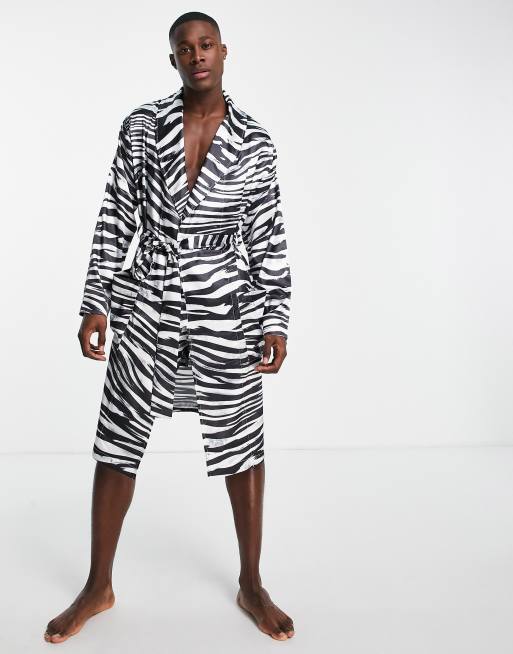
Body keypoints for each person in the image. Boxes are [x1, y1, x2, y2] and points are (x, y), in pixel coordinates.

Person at [44, 10, 294, 643]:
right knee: (117, 438)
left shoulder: (255, 141)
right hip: (149, 298)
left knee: (242, 442)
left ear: (224, 51)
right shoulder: (142, 126)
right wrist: (95, 301)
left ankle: (252, 584)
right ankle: (98, 585)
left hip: (225, 305)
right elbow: (116, 214)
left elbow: (267, 234)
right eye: (185, 48)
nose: (197, 55)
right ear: (174, 59)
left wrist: (275, 318)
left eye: (206, 44)